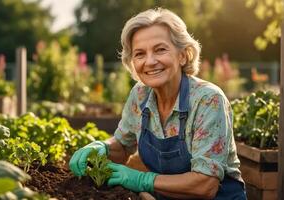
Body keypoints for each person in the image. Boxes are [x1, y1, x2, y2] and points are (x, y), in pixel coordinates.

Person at [69, 7, 246, 199]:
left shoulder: (208, 100)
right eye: (140, 54)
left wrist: (141, 180)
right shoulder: (140, 94)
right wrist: (101, 147)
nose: (150, 61)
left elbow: (205, 185)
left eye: (160, 49)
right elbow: (122, 145)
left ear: (183, 55)